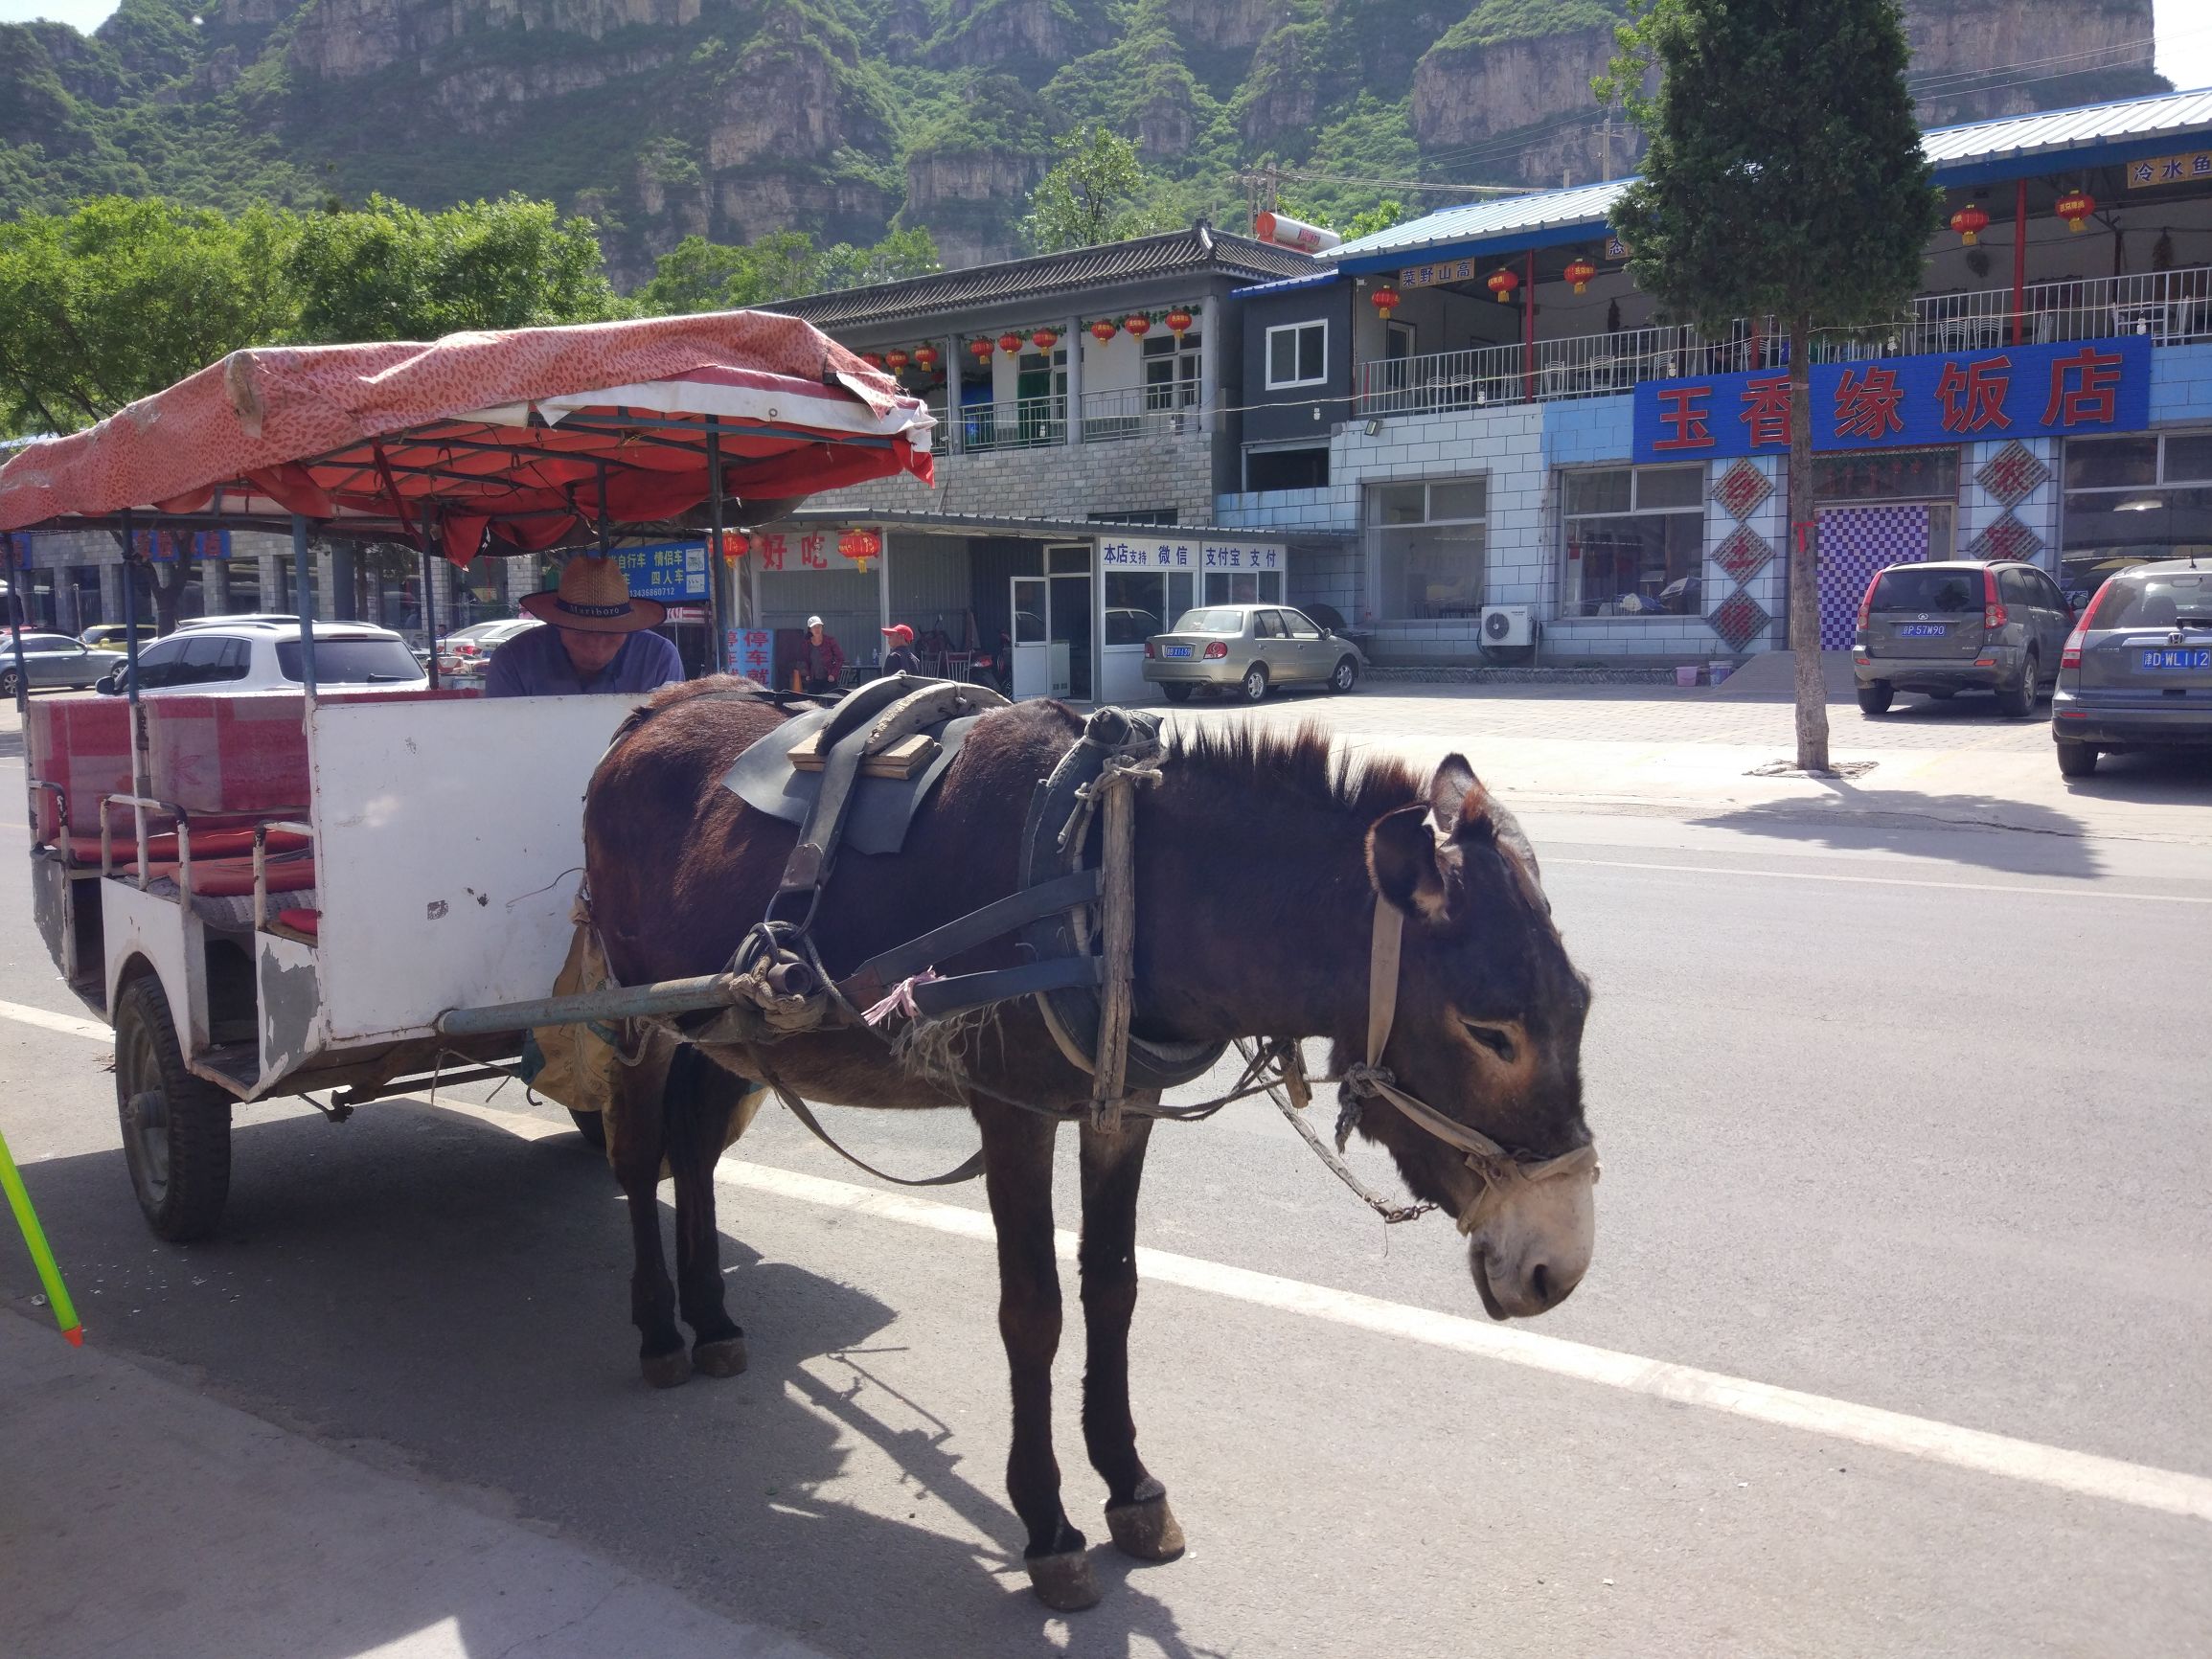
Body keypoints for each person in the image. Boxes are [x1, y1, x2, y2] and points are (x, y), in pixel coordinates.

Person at [484, 555, 687, 697]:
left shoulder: (658, 657)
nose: (595, 647)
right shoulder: (513, 660)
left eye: (611, 633)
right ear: (558, 625)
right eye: (581, 632)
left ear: (629, 627)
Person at [799, 614, 845, 693]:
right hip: (814, 678)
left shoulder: (830, 641)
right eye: (814, 627)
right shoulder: (806, 644)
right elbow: (804, 660)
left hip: (829, 678)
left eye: (819, 626)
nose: (817, 629)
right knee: (812, 702)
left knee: (832, 702)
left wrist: (833, 674)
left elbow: (840, 658)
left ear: (822, 628)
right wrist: (807, 674)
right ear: (810, 629)